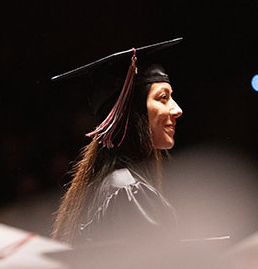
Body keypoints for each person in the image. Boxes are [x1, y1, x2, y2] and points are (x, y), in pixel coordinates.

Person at [51, 39, 184, 245]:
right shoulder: (129, 192)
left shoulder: (108, 184)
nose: (177, 109)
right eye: (162, 98)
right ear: (132, 113)